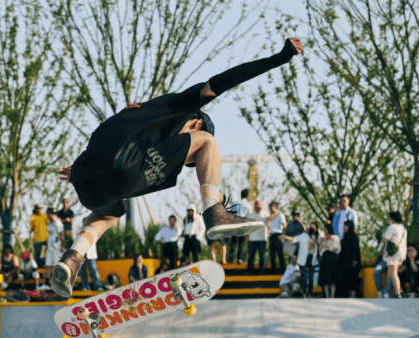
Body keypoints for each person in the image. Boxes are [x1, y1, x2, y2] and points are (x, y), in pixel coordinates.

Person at [52, 38, 304, 297]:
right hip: (125, 167)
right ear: (196, 123)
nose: (184, 161)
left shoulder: (143, 115)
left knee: (109, 214)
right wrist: (279, 58)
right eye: (190, 161)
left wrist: (82, 169)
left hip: (86, 179)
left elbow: (107, 142)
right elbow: (226, 79)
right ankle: (214, 210)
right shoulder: (183, 106)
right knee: (207, 143)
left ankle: (72, 258)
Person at [382, 211, 407, 298]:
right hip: (402, 253)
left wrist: (384, 233)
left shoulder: (392, 227)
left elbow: (385, 239)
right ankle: (400, 290)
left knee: (393, 273)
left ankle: (397, 293)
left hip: (393, 253)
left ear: (392, 218)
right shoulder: (403, 228)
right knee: (392, 272)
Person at [282, 222, 310, 294]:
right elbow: (293, 239)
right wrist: (287, 237)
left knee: (304, 275)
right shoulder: (299, 235)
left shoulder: (307, 235)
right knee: (297, 274)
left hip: (306, 258)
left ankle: (303, 290)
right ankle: (295, 290)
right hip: (298, 258)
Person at [227, 189, 252, 264]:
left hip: (234, 223)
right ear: (247, 196)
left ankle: (230, 259)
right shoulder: (248, 205)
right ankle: (239, 258)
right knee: (241, 242)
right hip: (243, 224)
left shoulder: (234, 203)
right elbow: (249, 216)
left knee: (233, 242)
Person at [338, 220, 361, 298]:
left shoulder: (354, 236)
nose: (345, 227)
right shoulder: (344, 237)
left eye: (346, 226)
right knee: (345, 280)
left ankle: (353, 296)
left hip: (352, 263)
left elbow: (356, 250)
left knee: (352, 280)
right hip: (344, 263)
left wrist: (354, 261)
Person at [318, 224, 341, 298]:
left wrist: (330, 239)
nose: (324, 231)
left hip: (333, 258)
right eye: (324, 229)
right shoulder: (323, 238)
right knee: (325, 278)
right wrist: (323, 241)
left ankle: (332, 295)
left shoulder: (335, 237)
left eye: (326, 229)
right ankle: (327, 295)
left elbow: (337, 248)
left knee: (333, 278)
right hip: (325, 258)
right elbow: (320, 250)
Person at [247, 200, 269, 274]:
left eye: (259, 205)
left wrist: (267, 235)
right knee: (251, 256)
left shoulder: (265, 214)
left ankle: (262, 271)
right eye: (256, 205)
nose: (258, 206)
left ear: (262, 206)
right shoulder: (250, 215)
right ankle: (250, 271)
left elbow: (269, 226)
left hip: (262, 239)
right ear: (254, 206)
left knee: (262, 256)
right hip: (252, 238)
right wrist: (247, 237)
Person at [44, 207, 64, 285]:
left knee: (56, 266)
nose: (48, 216)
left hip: (56, 247)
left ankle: (57, 283)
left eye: (50, 214)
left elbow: (61, 234)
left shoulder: (57, 222)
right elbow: (49, 237)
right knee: (48, 265)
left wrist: (62, 246)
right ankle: (48, 283)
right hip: (50, 247)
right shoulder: (49, 223)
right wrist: (46, 247)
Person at [266, 201, 286, 274]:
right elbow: (267, 222)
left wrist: (283, 235)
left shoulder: (280, 215)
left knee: (280, 254)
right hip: (272, 236)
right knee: (272, 254)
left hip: (278, 235)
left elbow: (284, 225)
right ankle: (273, 271)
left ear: (276, 207)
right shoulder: (270, 216)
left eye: (272, 206)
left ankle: (282, 270)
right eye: (270, 207)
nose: (271, 208)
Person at [305, 222, 321, 296]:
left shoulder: (318, 236)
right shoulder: (306, 236)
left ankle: (310, 291)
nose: (311, 228)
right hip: (306, 256)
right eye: (310, 227)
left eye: (313, 227)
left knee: (312, 275)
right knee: (305, 275)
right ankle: (305, 291)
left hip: (314, 256)